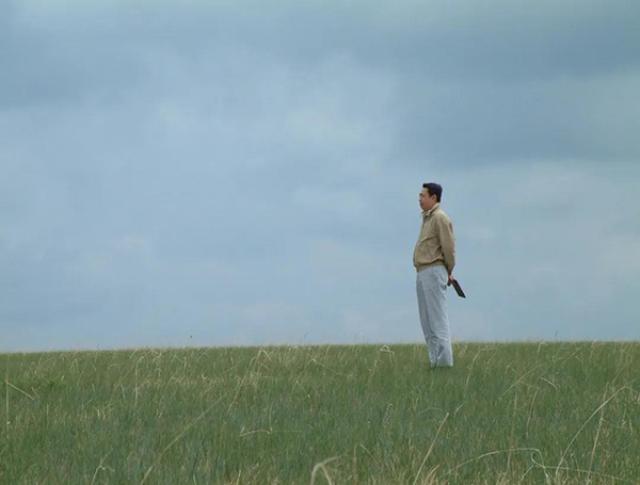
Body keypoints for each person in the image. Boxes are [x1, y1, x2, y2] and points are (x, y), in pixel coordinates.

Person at [413, 182, 456, 368]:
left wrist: (448, 271)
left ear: (433, 197)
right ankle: (435, 363)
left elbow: (449, 248)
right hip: (422, 271)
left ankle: (444, 364)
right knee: (427, 322)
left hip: (434, 270)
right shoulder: (427, 218)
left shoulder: (440, 218)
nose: (419, 199)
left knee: (437, 321)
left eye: (423, 195)